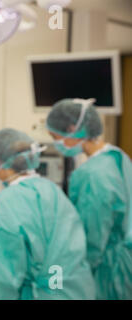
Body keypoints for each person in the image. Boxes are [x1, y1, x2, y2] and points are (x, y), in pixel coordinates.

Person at [0, 128, 95, 300]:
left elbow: (3, 280)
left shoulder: (5, 204)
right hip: (77, 290)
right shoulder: (53, 191)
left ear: (0, 164)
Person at [47, 98, 132, 300]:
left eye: (55, 136)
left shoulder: (93, 175)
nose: (55, 142)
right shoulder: (118, 156)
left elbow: (92, 237)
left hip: (107, 272)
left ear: (71, 129)